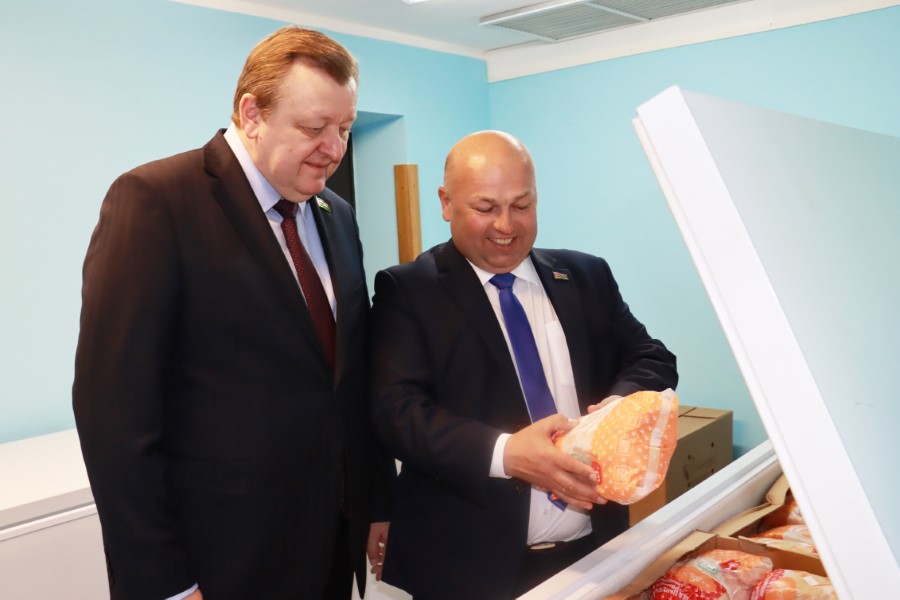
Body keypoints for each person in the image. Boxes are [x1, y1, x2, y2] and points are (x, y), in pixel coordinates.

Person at [73, 26, 392, 600]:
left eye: (344, 128)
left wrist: (372, 501)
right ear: (252, 114)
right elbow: (113, 417)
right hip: (216, 563)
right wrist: (166, 582)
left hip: (327, 547)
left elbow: (346, 380)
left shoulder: (336, 214)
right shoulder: (156, 201)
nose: (335, 148)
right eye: (314, 128)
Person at [368, 130, 678, 599]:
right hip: (467, 570)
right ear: (446, 203)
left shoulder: (585, 275)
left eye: (521, 205)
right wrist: (507, 454)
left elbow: (652, 358)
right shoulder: (409, 291)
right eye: (485, 207)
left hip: (593, 553)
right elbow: (397, 413)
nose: (506, 225)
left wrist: (613, 411)